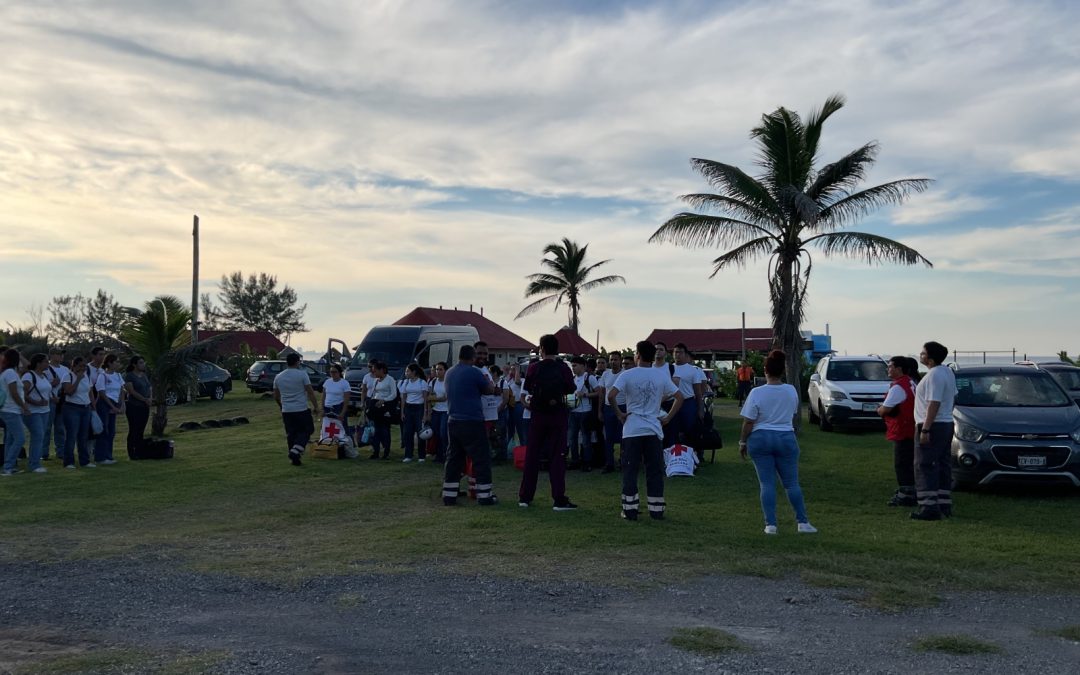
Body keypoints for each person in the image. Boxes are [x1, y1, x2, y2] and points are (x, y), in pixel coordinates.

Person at [738, 349, 817, 535]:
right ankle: (803, 522)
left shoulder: (757, 392)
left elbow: (749, 421)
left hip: (760, 438)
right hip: (785, 438)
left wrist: (743, 441)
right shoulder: (791, 390)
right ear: (783, 371)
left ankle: (770, 525)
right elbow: (793, 414)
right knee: (791, 483)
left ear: (765, 370)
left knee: (767, 484)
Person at [607, 340, 683, 521]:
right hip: (653, 429)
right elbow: (679, 397)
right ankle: (656, 509)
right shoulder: (660, 375)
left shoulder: (628, 374)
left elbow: (611, 396)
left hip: (632, 429)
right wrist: (668, 417)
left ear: (638, 355)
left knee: (630, 470)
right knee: (654, 471)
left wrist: (620, 413)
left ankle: (630, 509)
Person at [518, 335, 577, 510]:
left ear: (541, 348)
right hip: (558, 416)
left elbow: (527, 389)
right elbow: (571, 392)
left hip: (537, 416)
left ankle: (525, 497)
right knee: (557, 458)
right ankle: (559, 498)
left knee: (532, 456)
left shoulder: (533, 368)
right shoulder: (564, 368)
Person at [441, 345, 498, 506]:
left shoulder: (449, 372)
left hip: (453, 420)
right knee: (481, 458)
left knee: (453, 458)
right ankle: (484, 495)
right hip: (472, 421)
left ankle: (449, 495)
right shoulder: (475, 372)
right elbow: (488, 390)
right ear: (472, 357)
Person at [912, 341, 958, 521]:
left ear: (930, 358)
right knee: (942, 463)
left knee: (925, 464)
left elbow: (934, 402)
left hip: (933, 425)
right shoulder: (947, 372)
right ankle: (943, 503)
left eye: (923, 353)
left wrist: (926, 429)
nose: (921, 355)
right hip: (946, 423)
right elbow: (953, 397)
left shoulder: (934, 375)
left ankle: (929, 507)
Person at [877, 356, 918, 508]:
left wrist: (879, 409)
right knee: (909, 462)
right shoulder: (911, 382)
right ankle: (912, 490)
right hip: (911, 427)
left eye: (890, 366)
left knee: (902, 463)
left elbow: (885, 409)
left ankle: (906, 494)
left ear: (899, 369)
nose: (888, 369)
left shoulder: (898, 387)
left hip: (903, 429)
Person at [273, 352, 320, 466]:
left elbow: (276, 395)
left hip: (287, 410)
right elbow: (310, 392)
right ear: (297, 362)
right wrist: (316, 406)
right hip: (301, 408)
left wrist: (281, 405)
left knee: (291, 434)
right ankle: (296, 451)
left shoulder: (278, 377)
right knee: (307, 430)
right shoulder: (302, 374)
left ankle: (294, 458)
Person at [21, 353, 54, 474]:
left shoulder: (44, 376)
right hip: (33, 411)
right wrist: (36, 402)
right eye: (45, 361)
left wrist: (52, 398)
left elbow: (47, 391)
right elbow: (22, 394)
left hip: (45, 411)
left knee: (40, 436)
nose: (48, 363)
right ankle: (34, 464)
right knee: (38, 436)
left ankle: (35, 462)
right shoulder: (28, 376)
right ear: (38, 363)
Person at [61, 356, 94, 469]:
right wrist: (78, 379)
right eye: (80, 366)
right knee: (71, 435)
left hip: (85, 408)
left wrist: (92, 405)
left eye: (85, 366)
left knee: (83, 436)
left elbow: (89, 392)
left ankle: (84, 460)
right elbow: (69, 392)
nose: (83, 368)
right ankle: (69, 461)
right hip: (72, 408)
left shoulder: (86, 376)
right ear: (74, 366)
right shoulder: (68, 376)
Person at [672, 343, 707, 448]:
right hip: (672, 402)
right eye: (675, 352)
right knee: (673, 430)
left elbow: (698, 392)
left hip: (688, 402)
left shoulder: (693, 370)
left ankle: (692, 454)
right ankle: (673, 456)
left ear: (685, 354)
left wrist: (700, 409)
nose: (677, 355)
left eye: (680, 352)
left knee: (690, 429)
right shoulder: (669, 368)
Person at [568, 356, 600, 471]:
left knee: (586, 438)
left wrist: (585, 395)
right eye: (572, 366)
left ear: (583, 366)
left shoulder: (589, 378)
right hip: (573, 410)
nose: (573, 368)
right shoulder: (572, 378)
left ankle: (587, 462)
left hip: (585, 411)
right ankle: (575, 460)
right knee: (572, 438)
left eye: (575, 365)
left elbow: (599, 392)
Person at [1, 348, 30, 476]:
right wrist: (24, 406)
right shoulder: (10, 374)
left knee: (10, 439)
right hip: (11, 410)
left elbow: (27, 366)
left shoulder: (9, 372)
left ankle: (9, 466)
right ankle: (8, 466)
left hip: (10, 409)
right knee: (20, 438)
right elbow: (14, 392)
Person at [93, 354, 125, 465]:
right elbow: (101, 392)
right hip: (105, 403)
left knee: (111, 431)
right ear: (110, 363)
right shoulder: (103, 375)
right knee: (104, 430)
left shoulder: (118, 375)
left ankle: (108, 455)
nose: (118, 364)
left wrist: (121, 404)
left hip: (115, 403)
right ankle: (100, 457)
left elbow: (121, 389)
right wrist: (111, 406)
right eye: (116, 362)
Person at [366, 360, 398, 460]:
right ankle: (376, 451)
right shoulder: (376, 381)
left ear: (382, 370)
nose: (373, 373)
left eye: (375, 371)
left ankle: (386, 452)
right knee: (376, 430)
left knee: (385, 430)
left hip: (385, 406)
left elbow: (394, 394)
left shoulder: (390, 380)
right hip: (376, 406)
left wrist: (384, 400)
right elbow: (373, 393)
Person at [597, 354, 624, 474]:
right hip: (608, 408)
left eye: (616, 360)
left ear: (620, 361)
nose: (613, 362)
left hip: (622, 406)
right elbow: (602, 393)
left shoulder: (625, 374)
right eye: (611, 360)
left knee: (624, 437)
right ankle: (609, 463)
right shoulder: (605, 374)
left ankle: (624, 462)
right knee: (608, 437)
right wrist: (600, 410)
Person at [123, 356, 153, 460]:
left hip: (144, 407)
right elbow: (131, 391)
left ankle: (140, 451)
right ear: (134, 365)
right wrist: (144, 399)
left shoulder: (144, 375)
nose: (143, 365)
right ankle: (132, 453)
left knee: (141, 430)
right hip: (134, 406)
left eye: (143, 362)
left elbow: (149, 387)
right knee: (134, 429)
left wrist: (150, 398)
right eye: (140, 363)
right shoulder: (129, 376)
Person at [400, 363, 430, 463]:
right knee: (408, 432)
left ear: (414, 372)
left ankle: (422, 455)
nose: (406, 373)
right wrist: (402, 411)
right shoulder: (406, 382)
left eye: (408, 371)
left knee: (420, 432)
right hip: (408, 408)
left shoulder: (422, 382)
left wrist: (425, 413)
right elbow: (403, 398)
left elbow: (425, 399)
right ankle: (408, 455)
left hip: (419, 408)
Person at [45, 348, 69, 461]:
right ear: (52, 355)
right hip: (50, 401)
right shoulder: (46, 369)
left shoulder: (66, 369)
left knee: (60, 428)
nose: (61, 356)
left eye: (62, 354)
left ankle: (61, 452)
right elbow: (41, 386)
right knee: (47, 428)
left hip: (62, 401)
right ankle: (44, 453)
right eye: (59, 354)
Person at [428, 362, 450, 463]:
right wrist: (428, 411)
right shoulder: (433, 382)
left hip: (445, 411)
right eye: (437, 369)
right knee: (436, 433)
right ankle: (438, 455)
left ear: (445, 371)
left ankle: (446, 454)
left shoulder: (448, 382)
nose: (438, 371)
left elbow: (445, 398)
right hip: (436, 411)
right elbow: (429, 396)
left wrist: (433, 398)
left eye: (440, 369)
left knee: (443, 433)